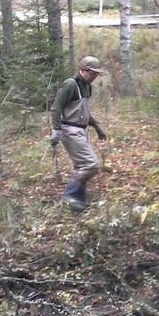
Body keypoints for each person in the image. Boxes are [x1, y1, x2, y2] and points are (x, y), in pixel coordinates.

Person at [50, 56, 108, 211]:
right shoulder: (70, 85)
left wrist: (97, 127)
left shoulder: (87, 86)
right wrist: (56, 130)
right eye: (93, 73)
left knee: (83, 165)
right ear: (83, 70)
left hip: (82, 129)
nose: (95, 76)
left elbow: (84, 112)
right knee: (92, 165)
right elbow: (56, 108)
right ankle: (70, 197)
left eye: (97, 74)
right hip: (70, 130)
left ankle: (78, 202)